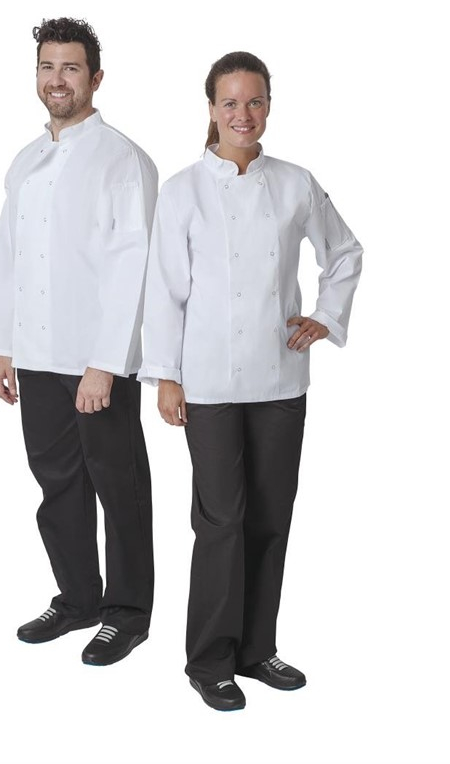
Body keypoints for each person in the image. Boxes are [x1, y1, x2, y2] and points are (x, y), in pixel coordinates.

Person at [138, 51, 362, 710]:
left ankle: (257, 649)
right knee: (220, 523)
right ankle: (209, 660)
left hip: (279, 380)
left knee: (269, 519)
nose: (243, 114)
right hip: (206, 383)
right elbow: (164, 290)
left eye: (255, 101)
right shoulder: (182, 190)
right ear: (211, 109)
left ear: (269, 106)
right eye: (230, 102)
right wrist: (166, 376)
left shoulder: (294, 183)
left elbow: (345, 252)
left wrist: (325, 316)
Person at [0, 17, 157, 666]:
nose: (57, 79)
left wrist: (106, 364)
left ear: (95, 78)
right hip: (35, 353)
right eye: (47, 67)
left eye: (70, 67)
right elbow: (9, 258)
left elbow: (134, 266)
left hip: (93, 360)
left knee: (119, 488)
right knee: (57, 486)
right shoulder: (26, 160)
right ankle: (78, 598)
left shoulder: (123, 160)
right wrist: (2, 344)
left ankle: (127, 614)